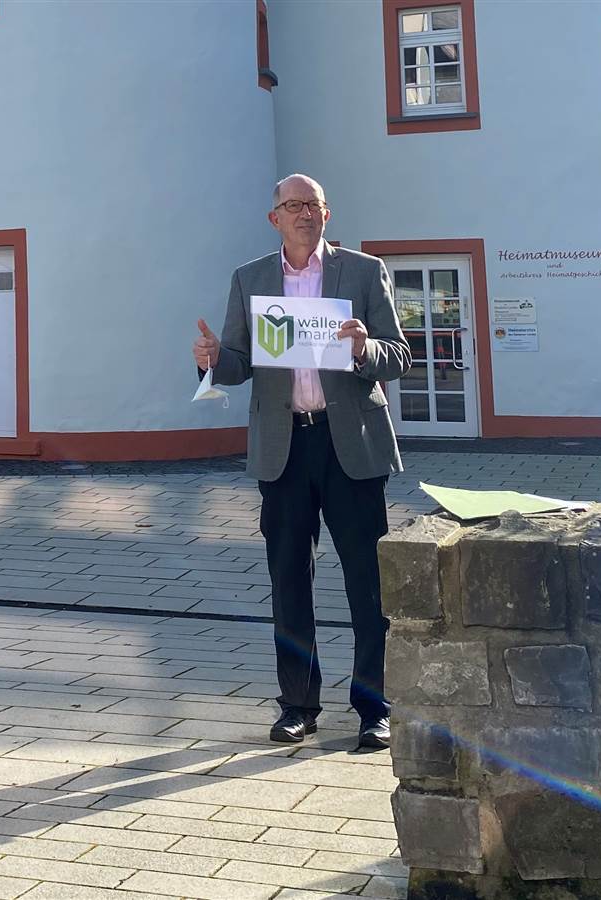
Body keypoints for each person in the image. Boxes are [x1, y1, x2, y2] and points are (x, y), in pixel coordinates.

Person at [192, 174, 411, 749]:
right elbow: (240, 363)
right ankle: (298, 704)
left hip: (350, 446)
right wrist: (213, 361)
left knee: (367, 584)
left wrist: (365, 348)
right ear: (275, 218)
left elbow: (399, 356)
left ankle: (373, 707)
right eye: (292, 206)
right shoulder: (252, 279)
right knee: (290, 581)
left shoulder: (364, 271)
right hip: (284, 445)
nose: (303, 214)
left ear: (326, 213)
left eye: (312, 205)